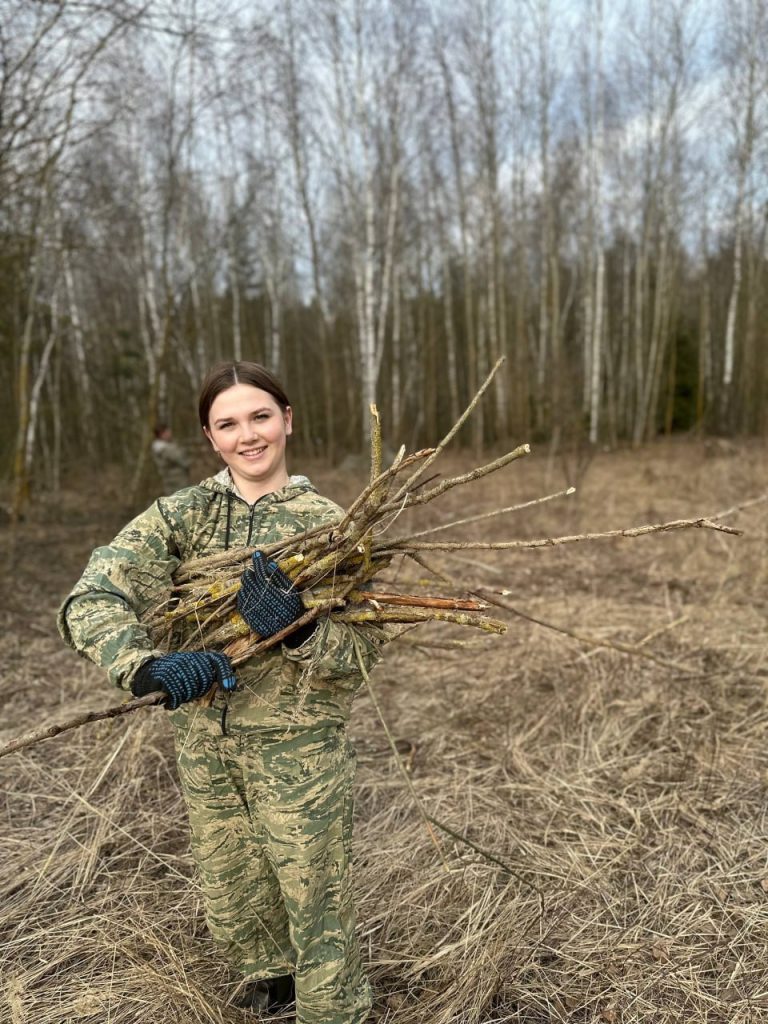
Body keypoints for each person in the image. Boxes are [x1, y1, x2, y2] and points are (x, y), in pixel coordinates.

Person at [58, 362, 388, 1022]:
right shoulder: (181, 518)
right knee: (234, 894)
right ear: (209, 437)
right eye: (228, 423)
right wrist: (146, 667)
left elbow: (360, 659)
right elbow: (91, 597)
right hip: (206, 750)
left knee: (317, 905)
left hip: (300, 755)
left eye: (260, 416)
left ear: (288, 420)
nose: (248, 435)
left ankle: (337, 1013)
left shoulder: (333, 528)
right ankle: (272, 987)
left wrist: (300, 634)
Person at [151, 423, 191, 494]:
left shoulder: (160, 447)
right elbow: (181, 459)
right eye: (167, 432)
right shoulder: (166, 449)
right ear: (162, 434)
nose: (170, 433)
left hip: (170, 479)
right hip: (177, 479)